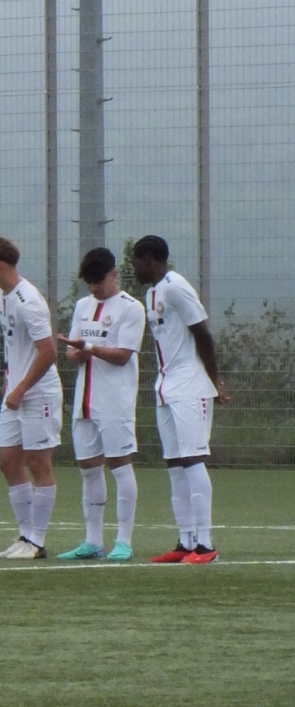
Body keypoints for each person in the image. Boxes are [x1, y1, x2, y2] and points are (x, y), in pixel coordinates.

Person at [132, 235, 227, 564]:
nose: (134, 269)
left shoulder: (176, 287)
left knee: (193, 459)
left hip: (190, 385)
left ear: (149, 260)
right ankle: (185, 542)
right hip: (166, 386)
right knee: (175, 464)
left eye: (135, 262)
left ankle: (206, 545)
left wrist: (214, 382)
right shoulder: (151, 293)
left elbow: (203, 335)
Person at [55, 247, 145, 561]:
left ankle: (124, 541)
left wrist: (90, 347)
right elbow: (72, 353)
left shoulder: (131, 308)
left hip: (115, 401)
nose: (94, 288)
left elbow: (123, 356)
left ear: (113, 274)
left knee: (120, 465)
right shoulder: (83, 306)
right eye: (89, 282)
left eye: (99, 281)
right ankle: (93, 541)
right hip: (84, 401)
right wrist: (77, 351)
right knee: (88, 470)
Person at [0, 233, 62, 560]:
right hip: (15, 392)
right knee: (8, 461)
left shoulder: (29, 302)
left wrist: (22, 387)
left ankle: (37, 541)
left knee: (39, 463)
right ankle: (25, 536)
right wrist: (8, 378)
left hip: (38, 393)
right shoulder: (2, 295)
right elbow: (14, 345)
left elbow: (48, 352)